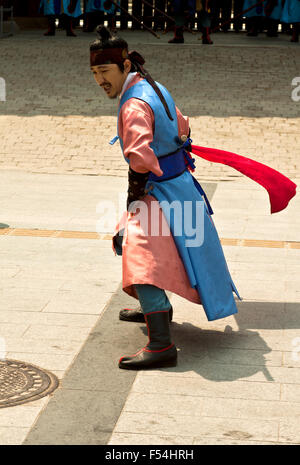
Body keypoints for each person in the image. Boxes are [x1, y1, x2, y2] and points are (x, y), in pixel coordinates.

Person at [89, 25, 242, 370]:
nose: (100, 79)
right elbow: (183, 126)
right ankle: (155, 310)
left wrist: (133, 201)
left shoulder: (133, 105)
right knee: (162, 251)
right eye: (95, 72)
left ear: (125, 66)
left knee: (140, 257)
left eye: (105, 71)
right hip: (178, 185)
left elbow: (140, 158)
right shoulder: (152, 86)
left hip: (159, 189)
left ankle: (161, 344)